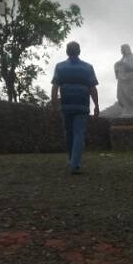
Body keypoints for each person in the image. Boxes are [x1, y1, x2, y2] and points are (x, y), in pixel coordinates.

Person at [51, 41, 99, 174]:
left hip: (66, 105)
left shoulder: (60, 67)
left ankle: (73, 161)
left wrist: (54, 105)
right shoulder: (88, 68)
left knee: (69, 133)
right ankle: (75, 163)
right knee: (79, 133)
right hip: (82, 105)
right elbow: (92, 88)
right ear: (79, 52)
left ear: (67, 52)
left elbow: (55, 87)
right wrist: (96, 105)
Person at [114, 44, 133, 117]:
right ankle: (126, 109)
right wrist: (116, 65)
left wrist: (122, 64)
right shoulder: (122, 58)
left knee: (130, 95)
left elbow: (132, 67)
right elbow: (118, 65)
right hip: (121, 80)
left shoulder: (131, 56)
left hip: (129, 81)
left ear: (126, 49)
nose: (121, 50)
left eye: (122, 49)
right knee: (120, 95)